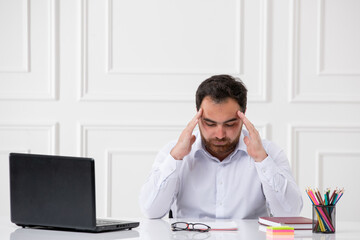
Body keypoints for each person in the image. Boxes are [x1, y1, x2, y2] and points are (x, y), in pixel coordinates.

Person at [139, 74, 303, 219]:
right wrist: (175, 157)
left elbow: (290, 215)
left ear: (243, 114)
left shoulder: (268, 152)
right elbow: (151, 211)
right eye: (210, 123)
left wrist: (262, 160)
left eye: (230, 124)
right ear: (198, 114)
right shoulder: (174, 151)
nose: (220, 134)